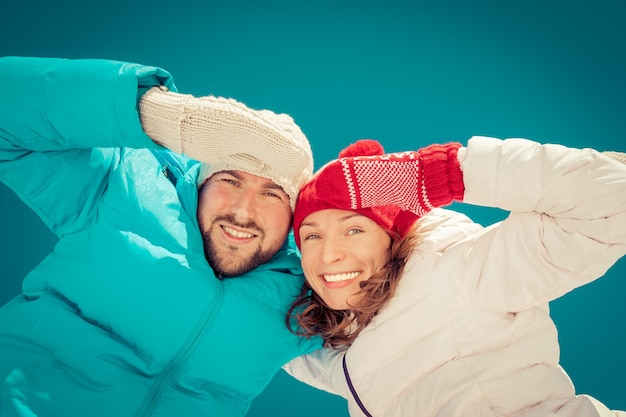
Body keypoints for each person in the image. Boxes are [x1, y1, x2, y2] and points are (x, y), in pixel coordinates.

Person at [0, 56, 321, 417]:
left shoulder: (311, 291)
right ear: (202, 183)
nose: (243, 212)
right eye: (230, 181)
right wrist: (159, 114)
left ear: (294, 214)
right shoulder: (124, 187)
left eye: (272, 194)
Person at [284, 137, 626, 416]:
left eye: (354, 230)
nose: (329, 255)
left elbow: (613, 203)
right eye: (312, 236)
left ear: (392, 239)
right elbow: (259, 332)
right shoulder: (345, 352)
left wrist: (439, 173)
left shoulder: (458, 269)